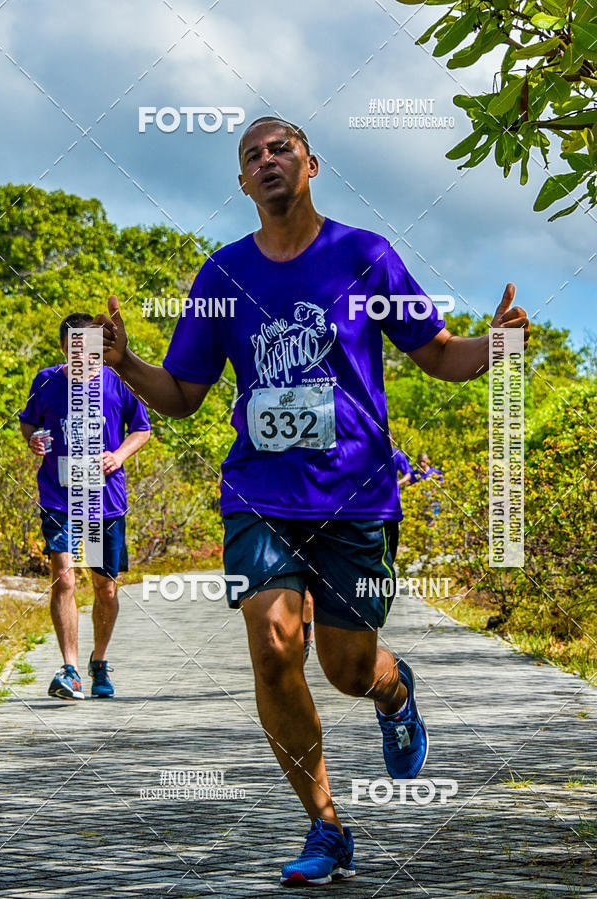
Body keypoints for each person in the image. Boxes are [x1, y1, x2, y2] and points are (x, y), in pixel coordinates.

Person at [93, 116, 529, 885]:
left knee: (347, 667)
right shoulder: (223, 276)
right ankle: (325, 825)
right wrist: (127, 362)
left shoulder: (364, 256)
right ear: (240, 182)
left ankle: (393, 688)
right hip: (258, 492)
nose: (267, 160)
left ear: (311, 164)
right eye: (251, 154)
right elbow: (186, 395)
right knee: (272, 649)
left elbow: (434, 352)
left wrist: (494, 345)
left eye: (280, 148)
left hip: (356, 495)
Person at [19, 312, 151, 700]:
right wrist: (35, 439)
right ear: (63, 348)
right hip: (60, 496)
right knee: (64, 576)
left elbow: (141, 429)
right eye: (74, 346)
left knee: (105, 587)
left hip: (103, 502)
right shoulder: (45, 380)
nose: (83, 353)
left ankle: (99, 661)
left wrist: (119, 455)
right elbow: (30, 423)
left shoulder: (118, 382)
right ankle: (70, 669)